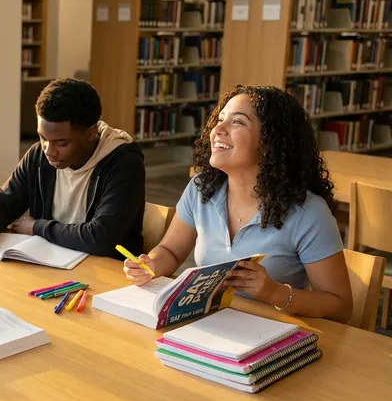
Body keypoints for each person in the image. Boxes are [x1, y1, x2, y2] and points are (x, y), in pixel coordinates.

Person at [124, 84, 352, 323]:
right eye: (220, 119)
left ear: (270, 142)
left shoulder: (309, 213)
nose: (217, 129)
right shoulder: (202, 187)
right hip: (207, 323)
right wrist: (150, 264)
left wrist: (274, 292)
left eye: (237, 122)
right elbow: (170, 251)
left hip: (270, 334)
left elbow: (341, 306)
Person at [0, 77, 146, 258]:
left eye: (61, 143)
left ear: (91, 133)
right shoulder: (38, 155)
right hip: (50, 262)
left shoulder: (124, 163)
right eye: (43, 138)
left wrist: (37, 227)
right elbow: (5, 200)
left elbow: (101, 238)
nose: (49, 151)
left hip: (109, 271)